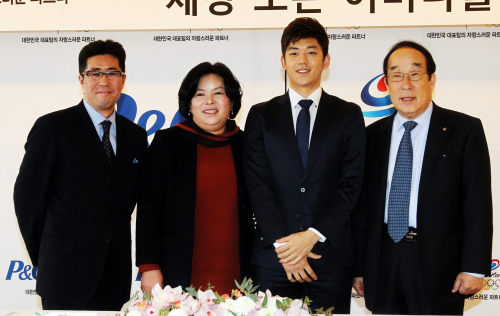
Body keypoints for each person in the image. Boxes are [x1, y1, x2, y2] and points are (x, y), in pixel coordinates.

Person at [354, 40, 493, 315]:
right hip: (383, 260)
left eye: (415, 74)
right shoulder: (371, 136)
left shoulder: (464, 130)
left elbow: (477, 202)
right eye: (396, 75)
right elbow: (360, 209)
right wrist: (358, 267)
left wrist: (474, 266)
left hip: (439, 262)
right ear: (387, 84)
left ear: (431, 79)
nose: (406, 84)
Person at [14, 40, 148, 310]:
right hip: (64, 272)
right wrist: (48, 255)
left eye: (112, 73)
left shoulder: (135, 135)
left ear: (123, 80)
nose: (104, 80)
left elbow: (133, 200)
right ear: (81, 79)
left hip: (115, 272)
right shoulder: (53, 128)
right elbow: (27, 199)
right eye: (95, 73)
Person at [243, 17, 365, 313]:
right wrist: (287, 249)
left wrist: (312, 235)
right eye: (295, 52)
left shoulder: (348, 115)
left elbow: (351, 185)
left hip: (329, 257)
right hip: (275, 260)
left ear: (326, 61)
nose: (303, 60)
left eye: (312, 52)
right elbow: (257, 186)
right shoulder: (261, 116)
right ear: (283, 61)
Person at [136, 62, 254, 295]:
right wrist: (149, 266)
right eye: (200, 94)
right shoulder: (168, 143)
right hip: (178, 268)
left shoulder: (248, 145)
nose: (209, 101)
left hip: (239, 270)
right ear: (189, 104)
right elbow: (150, 207)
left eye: (218, 93)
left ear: (231, 102)